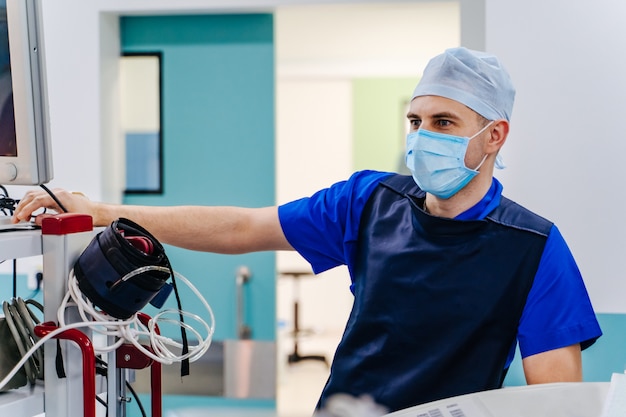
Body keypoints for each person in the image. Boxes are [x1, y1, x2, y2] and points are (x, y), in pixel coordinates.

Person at [13, 47, 602, 414]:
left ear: (494, 135)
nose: (423, 138)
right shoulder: (372, 201)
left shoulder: (534, 248)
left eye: (444, 122)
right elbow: (243, 227)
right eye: (416, 120)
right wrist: (99, 210)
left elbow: (550, 404)